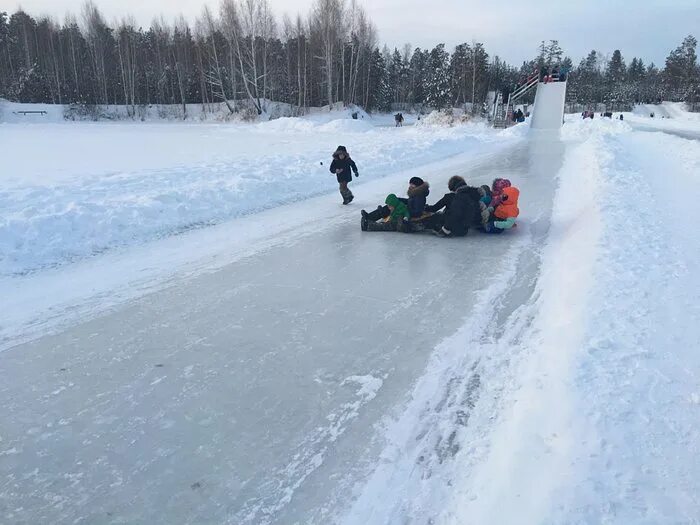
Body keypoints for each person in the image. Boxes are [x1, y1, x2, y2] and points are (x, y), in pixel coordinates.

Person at [360, 177, 429, 232]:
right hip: (406, 210)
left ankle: (370, 221)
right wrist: (399, 200)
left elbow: (417, 212)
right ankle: (369, 216)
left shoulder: (419, 196)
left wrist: (404, 211)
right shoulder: (416, 193)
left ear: (417, 186)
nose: (410, 186)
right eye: (410, 184)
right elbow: (411, 202)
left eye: (412, 184)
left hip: (407, 214)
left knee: (391, 211)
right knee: (392, 204)